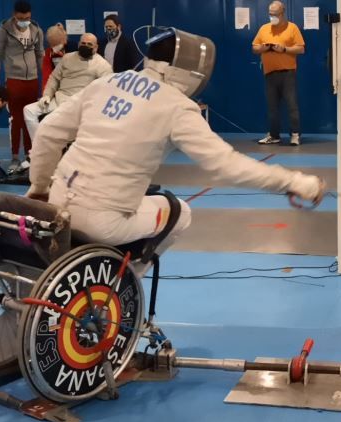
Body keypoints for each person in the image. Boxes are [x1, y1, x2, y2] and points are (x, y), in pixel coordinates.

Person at [25, 28, 325, 275]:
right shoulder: (177, 106)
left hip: (56, 203)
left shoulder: (109, 81)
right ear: (190, 70)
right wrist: (295, 182)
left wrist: (39, 187)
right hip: (102, 220)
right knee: (180, 212)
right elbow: (226, 165)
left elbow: (48, 131)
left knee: (147, 198)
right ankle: (123, 286)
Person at [23, 33, 112, 140]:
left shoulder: (103, 65)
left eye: (89, 44)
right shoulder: (67, 58)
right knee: (29, 110)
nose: (85, 46)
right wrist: (47, 95)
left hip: (80, 104)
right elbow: (54, 78)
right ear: (79, 44)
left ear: (96, 47)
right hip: (59, 99)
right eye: (83, 43)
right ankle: (39, 148)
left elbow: (106, 90)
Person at [0, 0, 44, 172]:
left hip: (33, 80)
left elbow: (40, 55)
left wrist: (43, 81)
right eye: (21, 18)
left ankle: (30, 154)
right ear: (15, 15)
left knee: (31, 118)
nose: (24, 21)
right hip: (14, 79)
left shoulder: (36, 30)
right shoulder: (3, 31)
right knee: (16, 120)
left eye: (27, 17)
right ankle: (14, 157)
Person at [252, 1, 305, 146]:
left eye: (275, 14)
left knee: (291, 104)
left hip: (287, 73)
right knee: (272, 107)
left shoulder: (292, 28)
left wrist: (285, 49)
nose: (272, 17)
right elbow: (254, 48)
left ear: (282, 13)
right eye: (270, 14)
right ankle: (274, 135)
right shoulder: (264, 29)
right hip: (269, 73)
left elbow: (301, 49)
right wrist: (263, 48)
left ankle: (295, 135)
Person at [42, 23, 68, 89]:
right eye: (53, 45)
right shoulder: (47, 53)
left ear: (64, 40)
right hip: (55, 87)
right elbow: (46, 76)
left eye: (58, 44)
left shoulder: (73, 49)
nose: (55, 48)